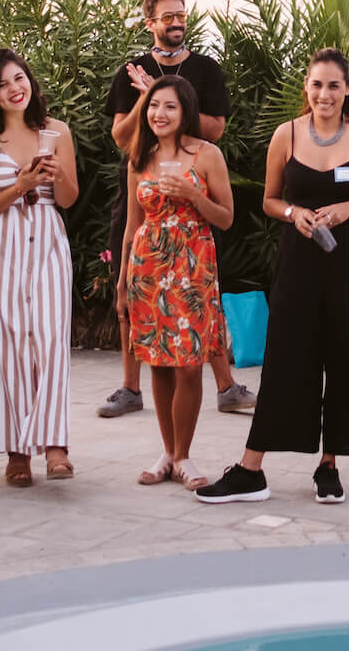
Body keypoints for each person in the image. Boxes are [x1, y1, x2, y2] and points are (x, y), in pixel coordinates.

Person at [196, 49, 349, 504]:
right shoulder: (285, 135)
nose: (324, 94)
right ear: (306, 88)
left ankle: (329, 465)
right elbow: (270, 200)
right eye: (316, 85)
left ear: (348, 88)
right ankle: (251, 469)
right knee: (287, 358)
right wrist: (294, 213)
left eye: (333, 85)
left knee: (347, 359)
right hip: (299, 261)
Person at [99, 0, 255, 419]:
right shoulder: (130, 71)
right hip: (142, 188)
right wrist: (148, 97)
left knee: (201, 294)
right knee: (131, 283)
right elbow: (121, 137)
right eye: (167, 16)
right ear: (150, 22)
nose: (176, 22)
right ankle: (131, 387)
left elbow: (216, 129)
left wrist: (169, 97)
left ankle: (226, 386)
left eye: (181, 15)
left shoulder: (205, 70)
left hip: (192, 195)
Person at [0, 48, 80, 486]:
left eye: (19, 78)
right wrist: (21, 185)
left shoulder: (57, 131)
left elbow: (68, 199)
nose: (15, 89)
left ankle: (55, 444)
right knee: (6, 344)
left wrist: (54, 175)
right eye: (3, 84)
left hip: (47, 242)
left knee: (48, 340)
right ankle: (17, 452)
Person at [118, 76, 234, 489]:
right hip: (148, 267)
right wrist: (121, 284)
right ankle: (167, 453)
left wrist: (193, 195)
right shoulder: (140, 158)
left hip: (192, 264)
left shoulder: (207, 155)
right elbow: (132, 226)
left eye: (168, 106)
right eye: (153, 106)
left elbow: (226, 217)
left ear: (185, 110)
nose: (159, 114)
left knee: (188, 365)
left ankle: (184, 455)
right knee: (159, 363)